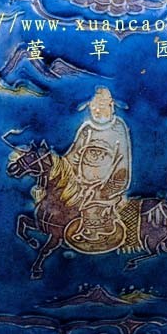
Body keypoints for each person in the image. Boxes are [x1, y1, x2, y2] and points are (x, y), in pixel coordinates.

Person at [64, 87, 131, 242]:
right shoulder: (87, 129)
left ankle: (96, 233)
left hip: (106, 185)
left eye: (101, 106)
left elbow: (123, 163)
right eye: (93, 106)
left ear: (111, 106)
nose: (97, 110)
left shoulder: (118, 128)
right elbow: (73, 156)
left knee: (94, 205)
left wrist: (110, 188)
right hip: (82, 182)